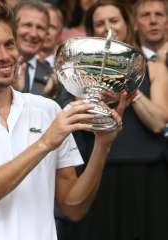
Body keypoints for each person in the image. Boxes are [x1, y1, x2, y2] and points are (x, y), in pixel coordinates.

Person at [0, 3, 124, 240]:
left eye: (9, 44)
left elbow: (73, 207)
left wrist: (102, 146)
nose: (5, 56)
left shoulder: (47, 110)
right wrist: (44, 143)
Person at [57, 1, 168, 240]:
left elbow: (159, 122)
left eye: (114, 21)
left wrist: (130, 89)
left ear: (127, 24)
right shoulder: (81, 71)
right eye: (99, 23)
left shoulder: (154, 67)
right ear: (91, 31)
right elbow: (83, 121)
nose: (108, 27)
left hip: (146, 175)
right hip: (99, 174)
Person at [13, 0, 53, 95]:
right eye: (27, 25)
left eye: (40, 28)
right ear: (12, 27)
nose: (33, 34)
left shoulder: (54, 78)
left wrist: (45, 96)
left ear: (46, 34)